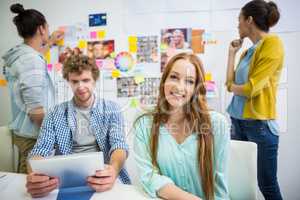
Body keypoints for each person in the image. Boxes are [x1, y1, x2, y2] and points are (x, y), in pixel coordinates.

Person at [25, 54, 131, 198]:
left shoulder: (112, 109)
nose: (81, 87)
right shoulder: (55, 113)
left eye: (86, 80)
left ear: (94, 81)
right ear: (68, 81)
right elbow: (40, 150)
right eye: (75, 81)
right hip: (66, 181)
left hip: (102, 178)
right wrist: (34, 174)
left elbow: (118, 145)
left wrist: (113, 169)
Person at [134, 52, 230, 200]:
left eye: (190, 81)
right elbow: (149, 176)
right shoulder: (144, 123)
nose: (180, 87)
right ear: (164, 81)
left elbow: (218, 185)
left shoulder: (216, 124)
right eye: (174, 77)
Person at [225, 0, 284, 199]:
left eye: (239, 19)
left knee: (267, 185)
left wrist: (233, 88)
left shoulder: (272, 44)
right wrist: (231, 53)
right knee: (238, 181)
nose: (237, 24)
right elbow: (229, 83)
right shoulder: (248, 51)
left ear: (249, 20)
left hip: (259, 126)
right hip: (238, 122)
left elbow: (251, 89)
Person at [2, 3, 64, 173]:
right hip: (33, 136)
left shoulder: (24, 56)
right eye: (47, 27)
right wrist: (55, 133)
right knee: (32, 186)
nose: (48, 30)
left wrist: (50, 42)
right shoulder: (31, 60)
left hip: (26, 133)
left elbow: (35, 59)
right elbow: (35, 109)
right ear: (41, 29)